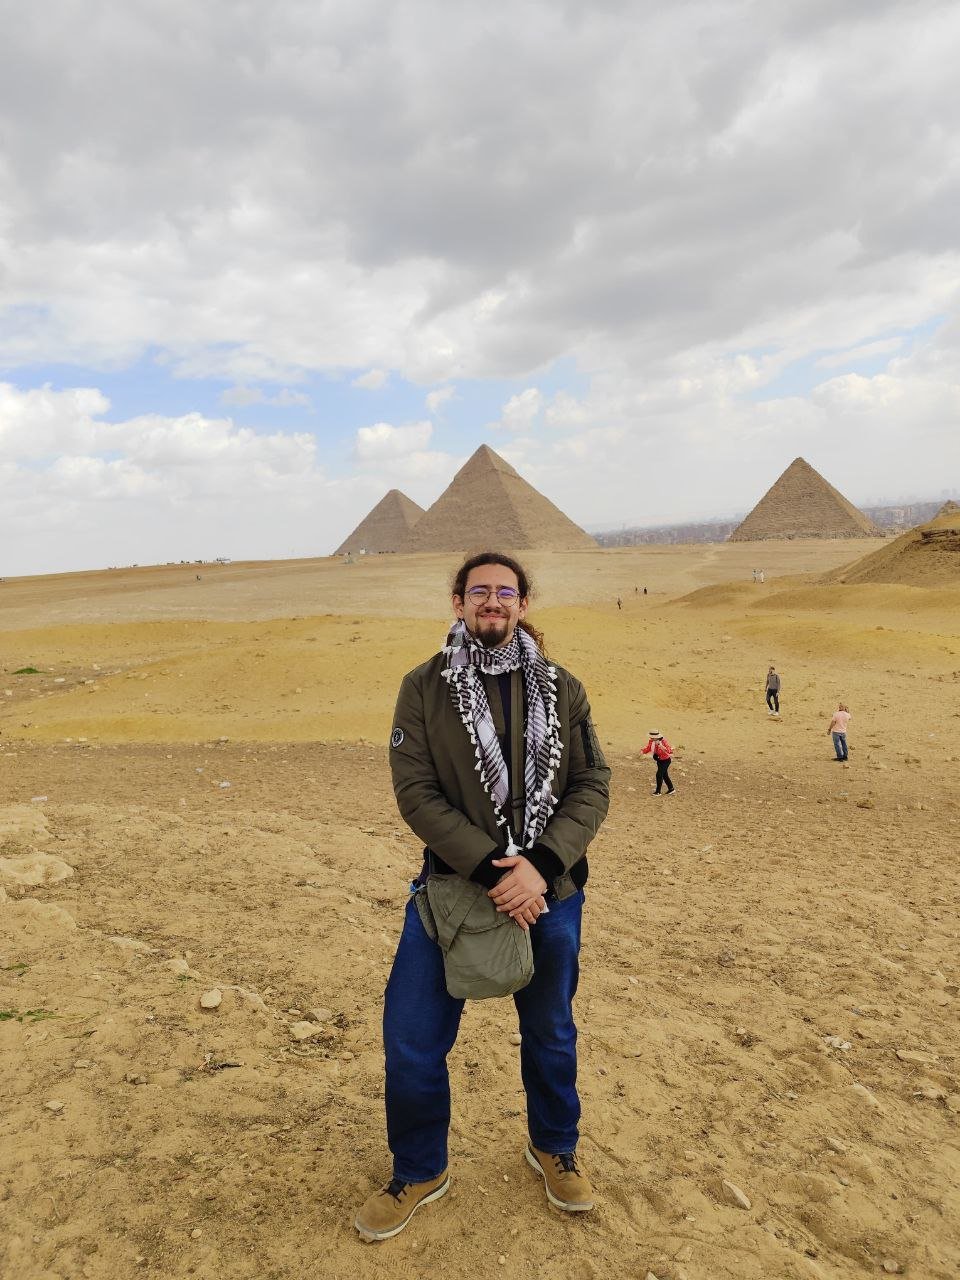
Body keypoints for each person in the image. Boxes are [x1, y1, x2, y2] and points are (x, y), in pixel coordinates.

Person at [355, 551, 610, 1242]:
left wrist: (541, 865)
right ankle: (419, 1169)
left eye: (504, 591)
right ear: (458, 602)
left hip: (551, 892)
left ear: (523, 604)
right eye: (478, 591)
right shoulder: (424, 687)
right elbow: (416, 792)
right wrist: (495, 872)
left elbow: (592, 783)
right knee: (410, 1038)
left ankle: (555, 1147)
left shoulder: (562, 687)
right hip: (451, 892)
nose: (491, 601)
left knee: (551, 1032)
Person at [641, 731, 675, 795]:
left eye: (652, 737)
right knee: (664, 775)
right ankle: (671, 789)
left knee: (659, 774)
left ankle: (658, 791)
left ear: (656, 737)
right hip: (659, 761)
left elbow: (669, 750)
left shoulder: (663, 741)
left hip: (666, 761)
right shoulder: (651, 741)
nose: (651, 738)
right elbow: (648, 748)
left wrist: (661, 745)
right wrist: (643, 751)